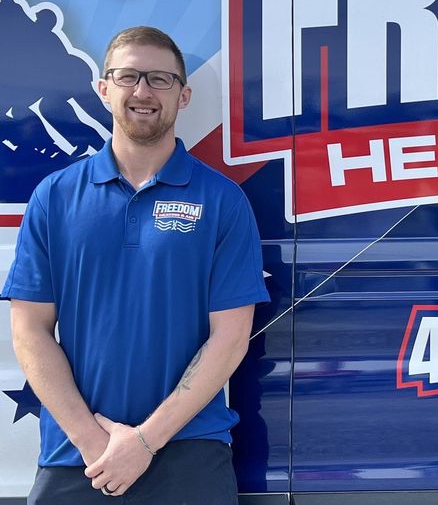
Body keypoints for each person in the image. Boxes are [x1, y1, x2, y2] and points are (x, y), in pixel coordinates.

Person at [2, 26, 270, 503]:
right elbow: (29, 332)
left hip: (190, 452)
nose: (142, 91)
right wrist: (95, 442)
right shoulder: (55, 198)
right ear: (104, 89)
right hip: (77, 456)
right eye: (127, 77)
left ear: (183, 96)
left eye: (160, 79)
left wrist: (145, 441)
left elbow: (230, 337)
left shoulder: (223, 201)